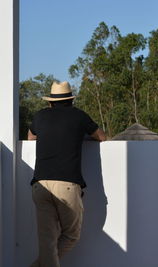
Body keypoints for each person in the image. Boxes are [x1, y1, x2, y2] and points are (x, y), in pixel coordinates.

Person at [28, 81, 106, 267]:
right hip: (67, 185)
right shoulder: (79, 116)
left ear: (50, 102)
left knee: (47, 242)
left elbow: (31, 137)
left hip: (40, 184)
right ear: (71, 100)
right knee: (71, 235)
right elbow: (101, 137)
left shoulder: (40, 116)